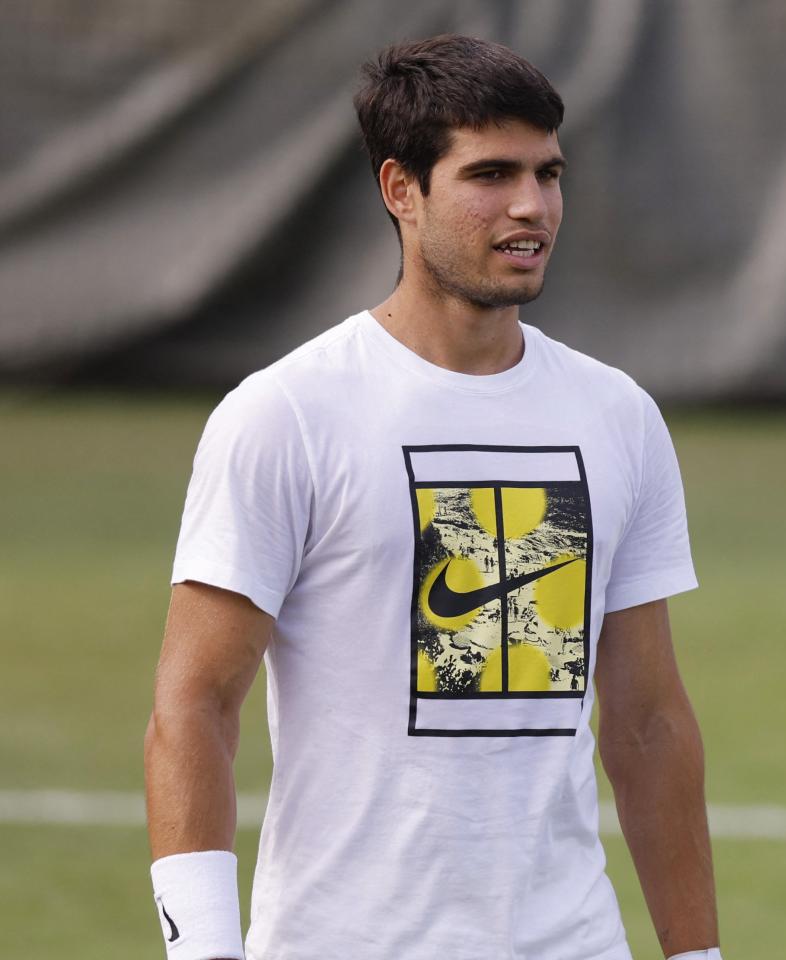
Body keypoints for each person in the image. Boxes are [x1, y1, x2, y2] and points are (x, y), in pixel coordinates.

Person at [144, 35, 722, 960]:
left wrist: (697, 957)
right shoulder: (285, 414)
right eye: (490, 174)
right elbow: (195, 704)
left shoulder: (618, 417)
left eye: (548, 172)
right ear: (400, 189)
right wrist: (203, 950)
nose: (531, 206)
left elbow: (649, 721)